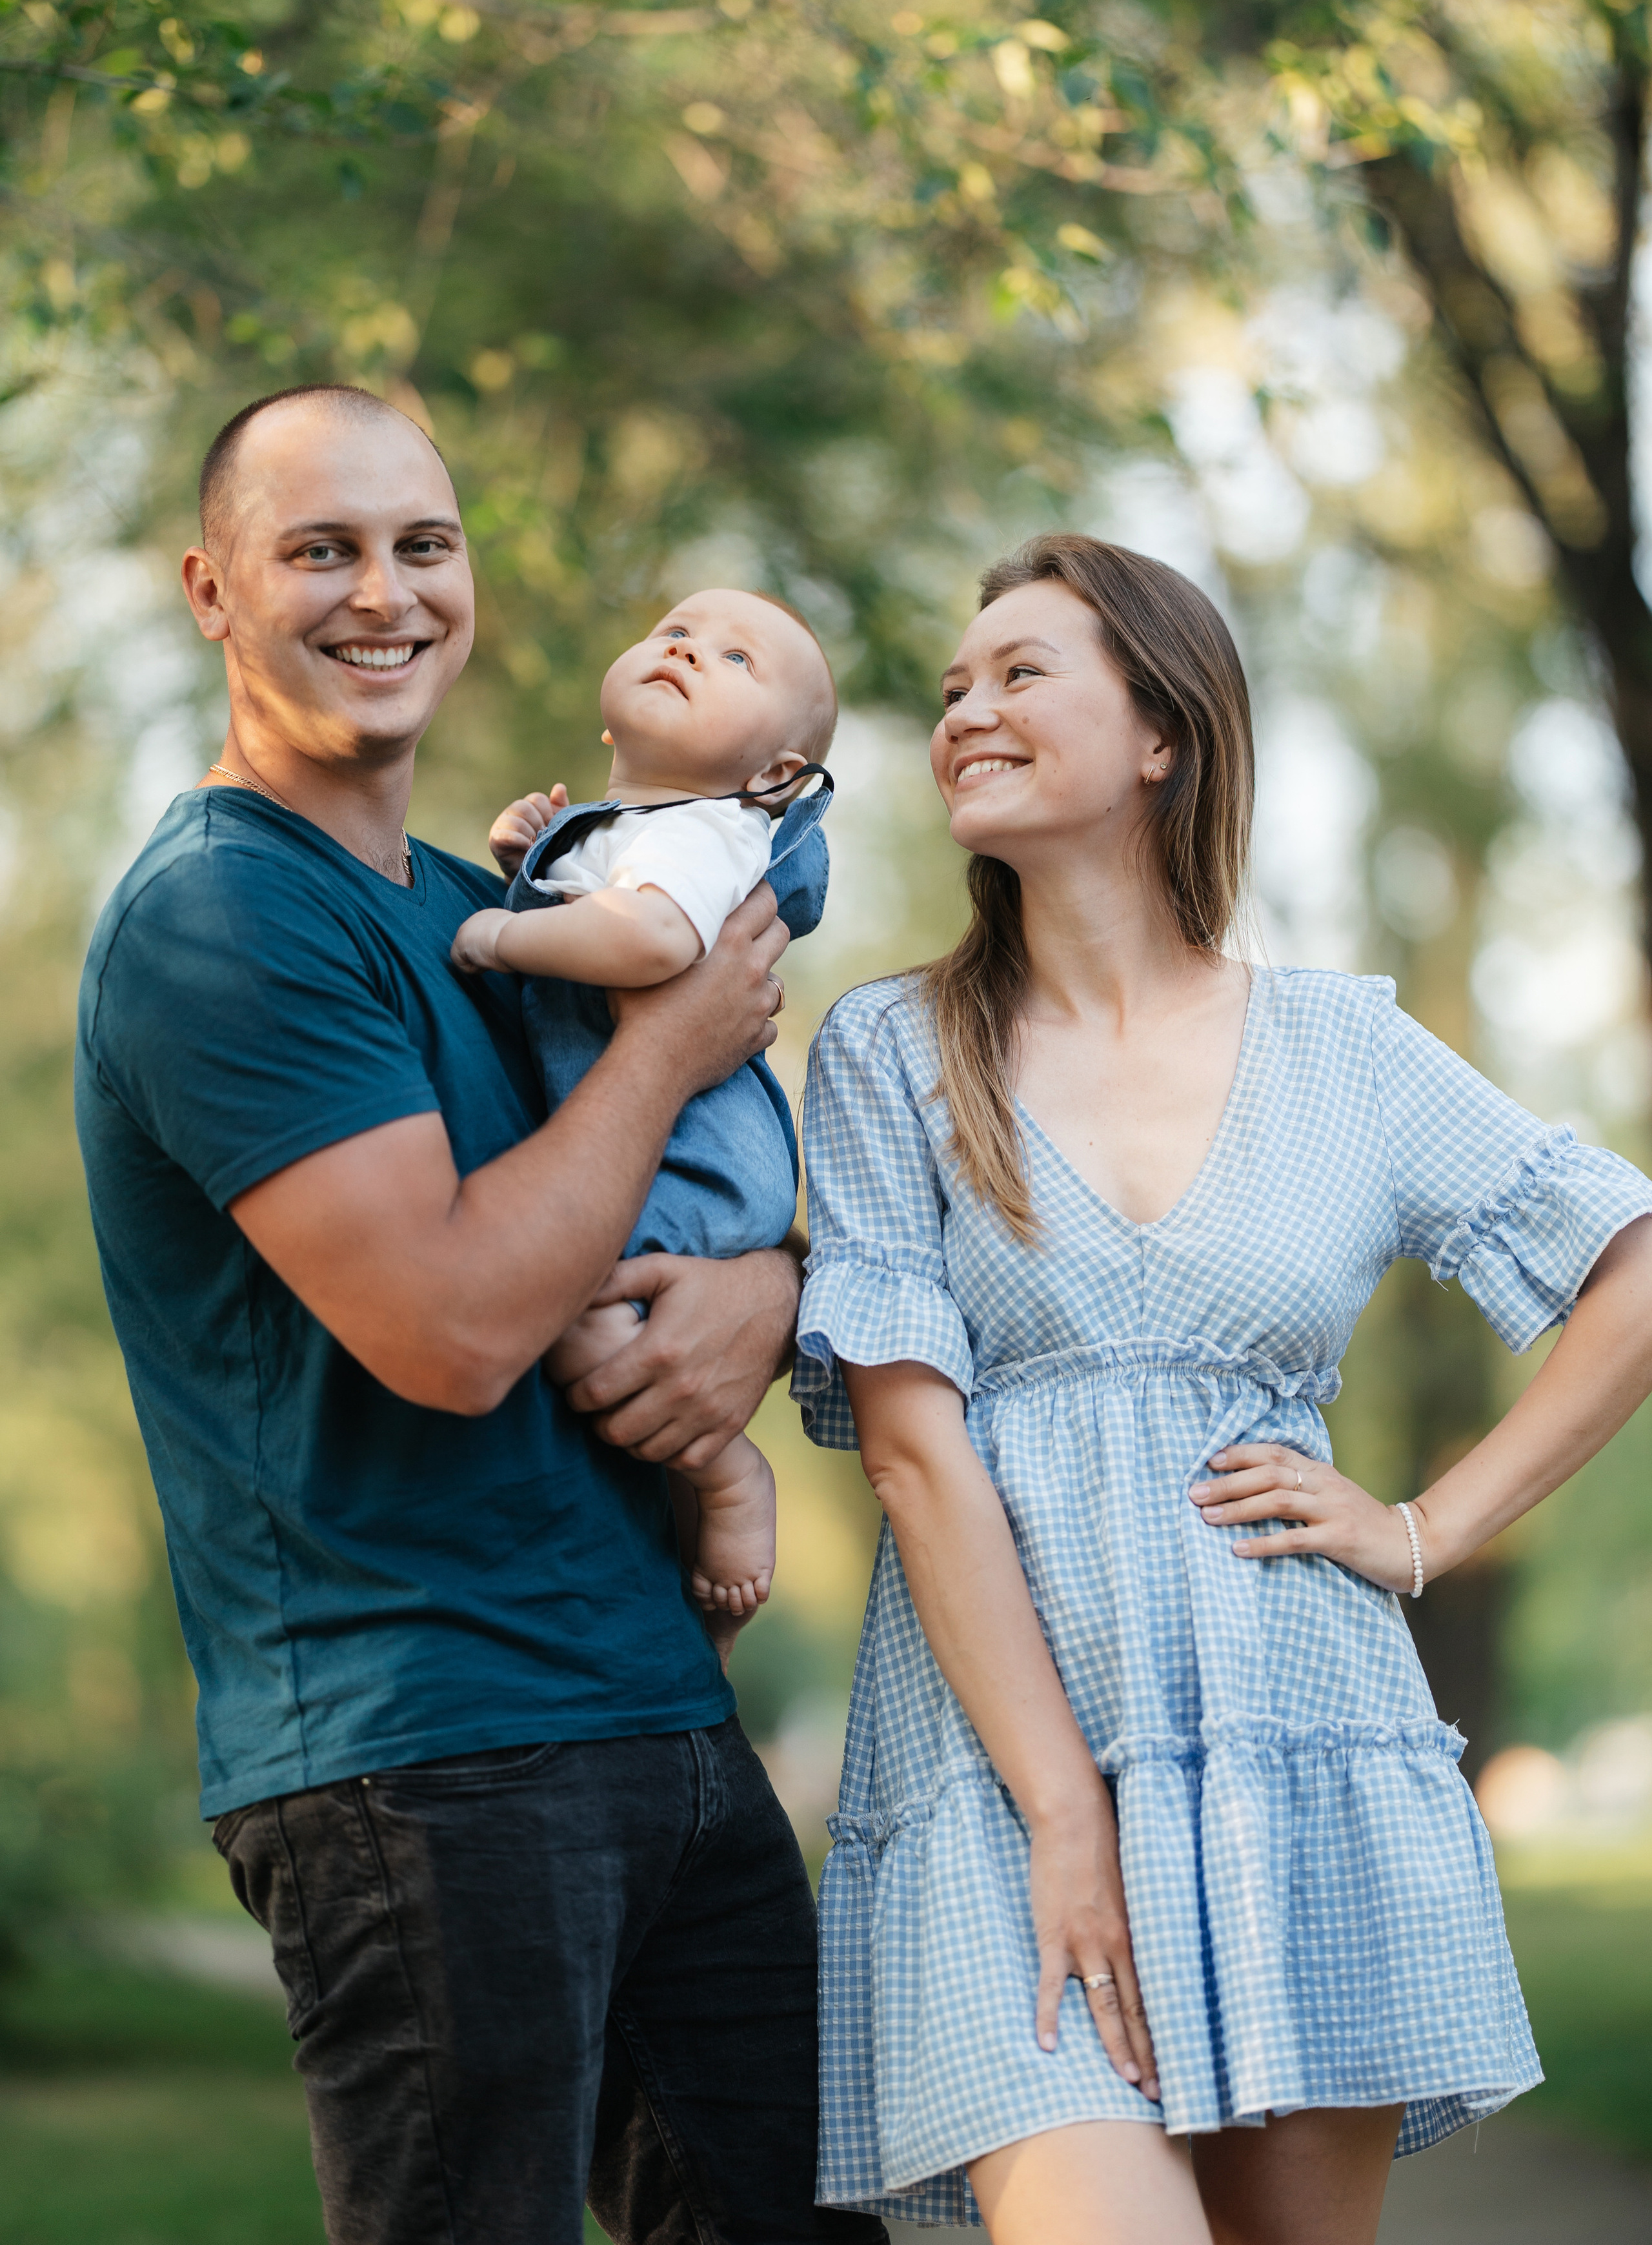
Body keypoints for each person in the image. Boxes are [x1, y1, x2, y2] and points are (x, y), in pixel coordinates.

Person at [74, 381, 887, 2245]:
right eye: (322, 550)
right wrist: (674, 1038)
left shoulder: (496, 903)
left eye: (422, 546)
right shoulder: (225, 919)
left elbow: (670, 1203)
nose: (385, 594)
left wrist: (764, 1286)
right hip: (417, 1752)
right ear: (214, 589)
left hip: (659, 1711)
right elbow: (449, 1325)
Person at [791, 532, 1652, 2245]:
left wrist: (1426, 1528)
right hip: (996, 1782)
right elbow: (911, 1457)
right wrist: (1065, 1817)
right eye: (954, 688)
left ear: (1163, 729)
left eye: (1021, 673)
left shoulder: (1343, 1048)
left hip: (1300, 1754)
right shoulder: (891, 1052)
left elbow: (1630, 1258)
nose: (964, 711)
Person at [451, 585, 837, 1619]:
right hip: (665, 1145)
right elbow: (612, 901)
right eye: (675, 633)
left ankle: (723, 1470)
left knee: (564, 1303)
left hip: (691, 1157)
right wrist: (533, 859)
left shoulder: (712, 829)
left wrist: (504, 930)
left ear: (773, 779)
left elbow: (652, 940)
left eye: (737, 660)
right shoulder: (641, 829)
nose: (690, 651)